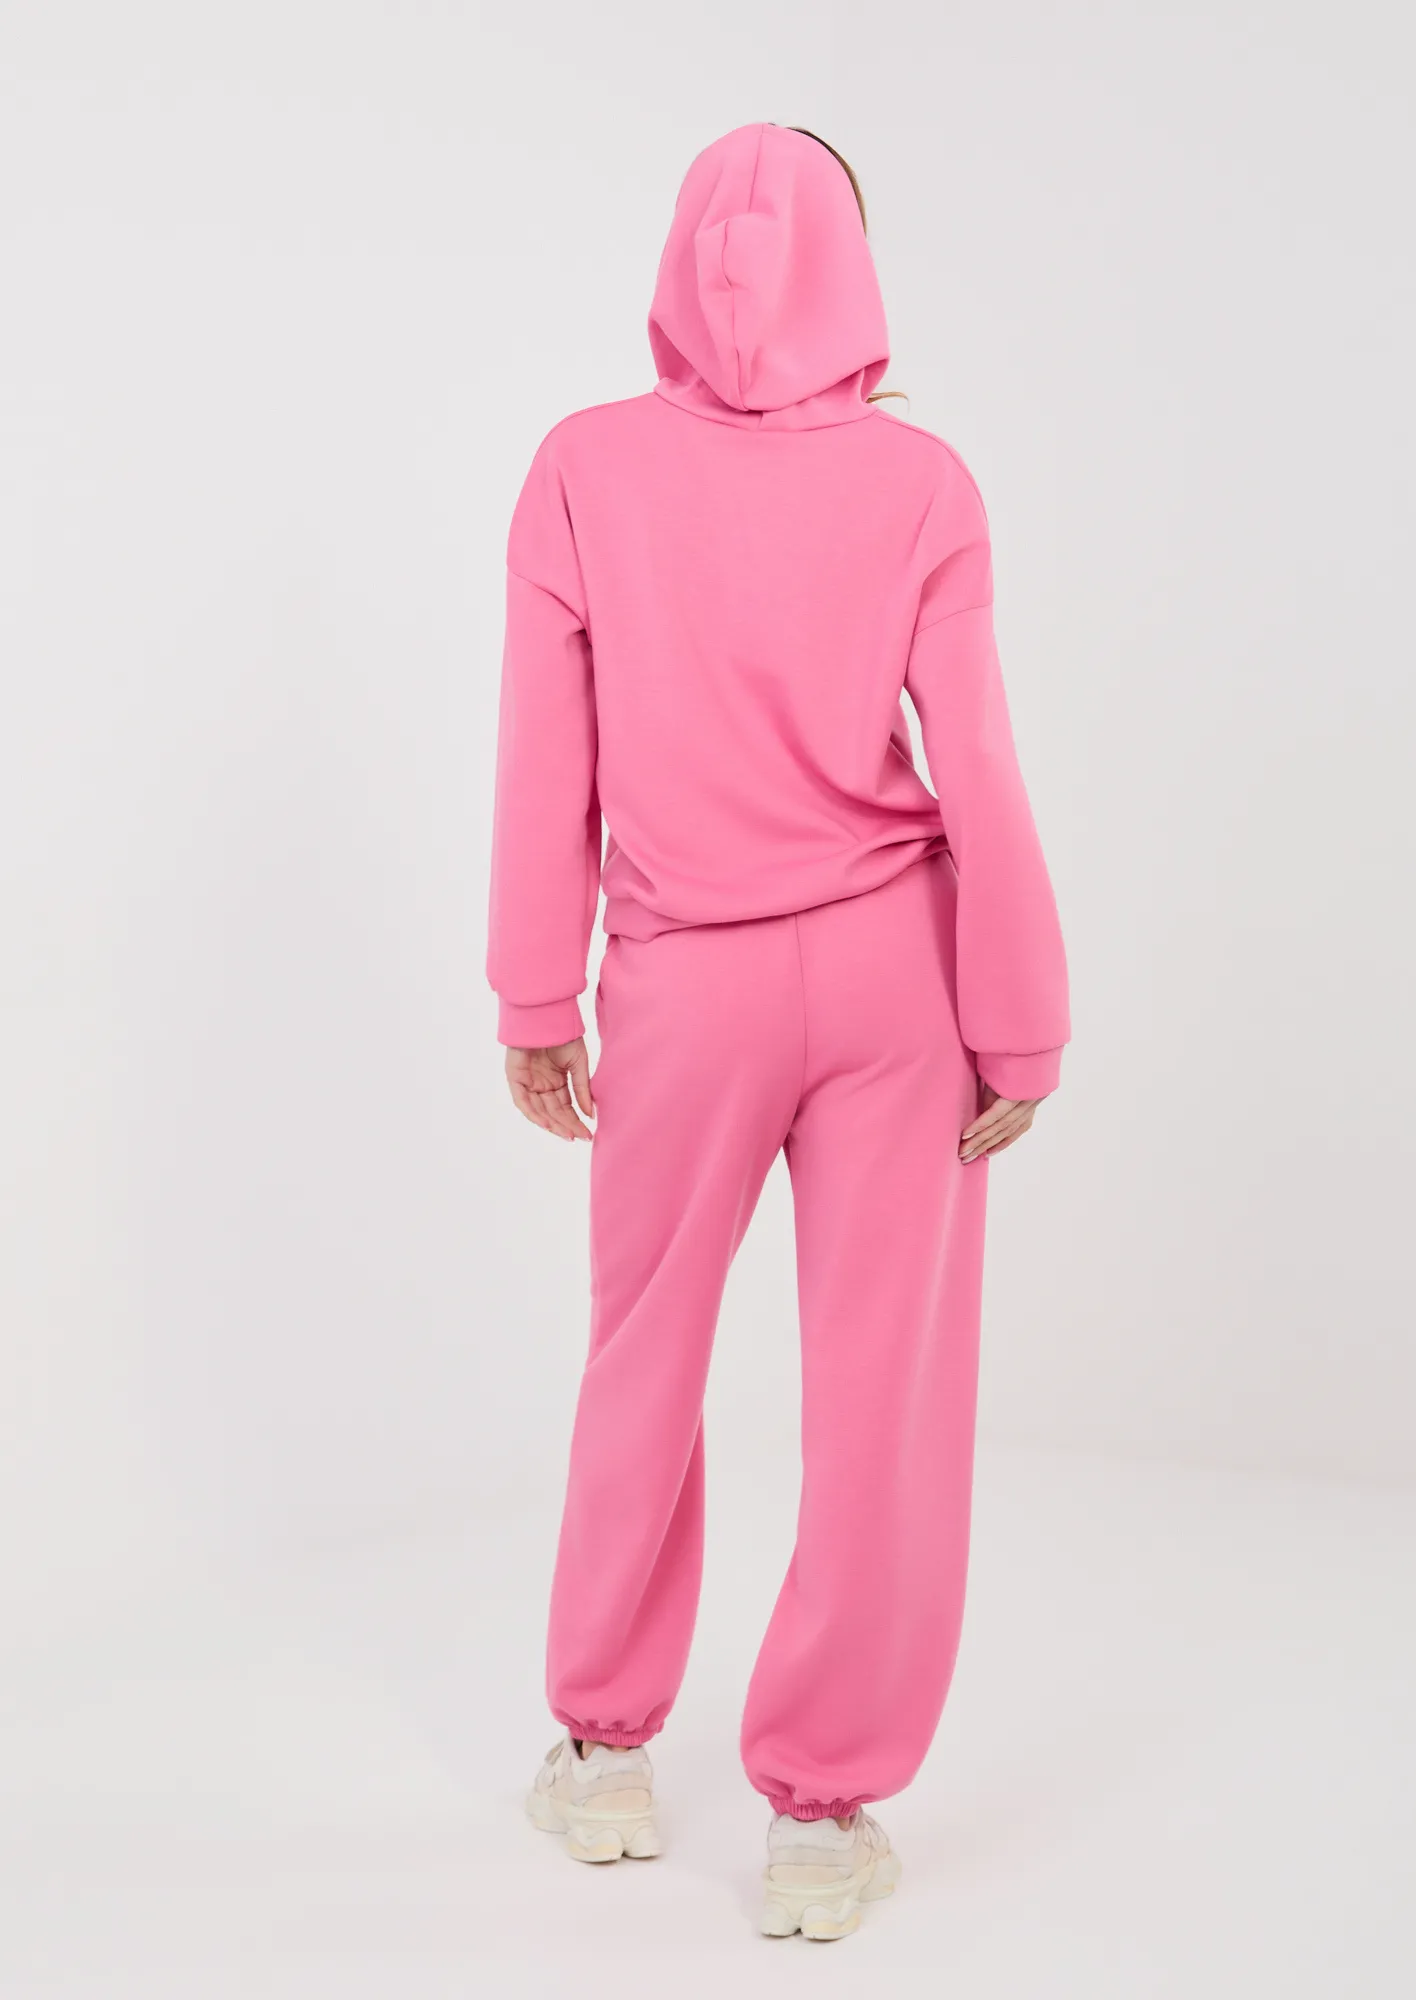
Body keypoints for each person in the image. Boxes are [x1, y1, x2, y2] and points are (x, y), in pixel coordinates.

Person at [488, 123, 1069, 1941]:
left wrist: (534, 987)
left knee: (643, 1350)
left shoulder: (582, 467)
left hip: (685, 982)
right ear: (854, 267)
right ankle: (821, 1818)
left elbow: (548, 757)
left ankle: (604, 1752)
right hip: (901, 978)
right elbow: (978, 761)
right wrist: (1022, 1017)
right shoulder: (923, 482)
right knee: (886, 1391)